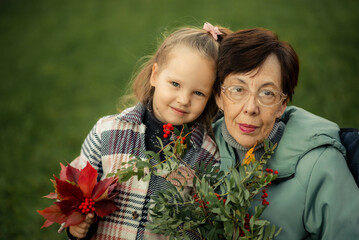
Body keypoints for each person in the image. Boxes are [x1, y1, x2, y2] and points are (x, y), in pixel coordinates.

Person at [66, 23, 231, 239]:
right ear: (155, 75)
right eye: (175, 84)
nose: (183, 100)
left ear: (211, 96)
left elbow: (202, 225)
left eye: (198, 93)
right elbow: (76, 195)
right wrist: (76, 226)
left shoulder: (206, 155)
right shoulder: (106, 132)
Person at [213, 28, 359, 239]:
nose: (250, 107)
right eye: (238, 89)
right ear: (219, 96)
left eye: (267, 93)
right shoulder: (198, 150)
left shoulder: (319, 165)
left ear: (282, 105)